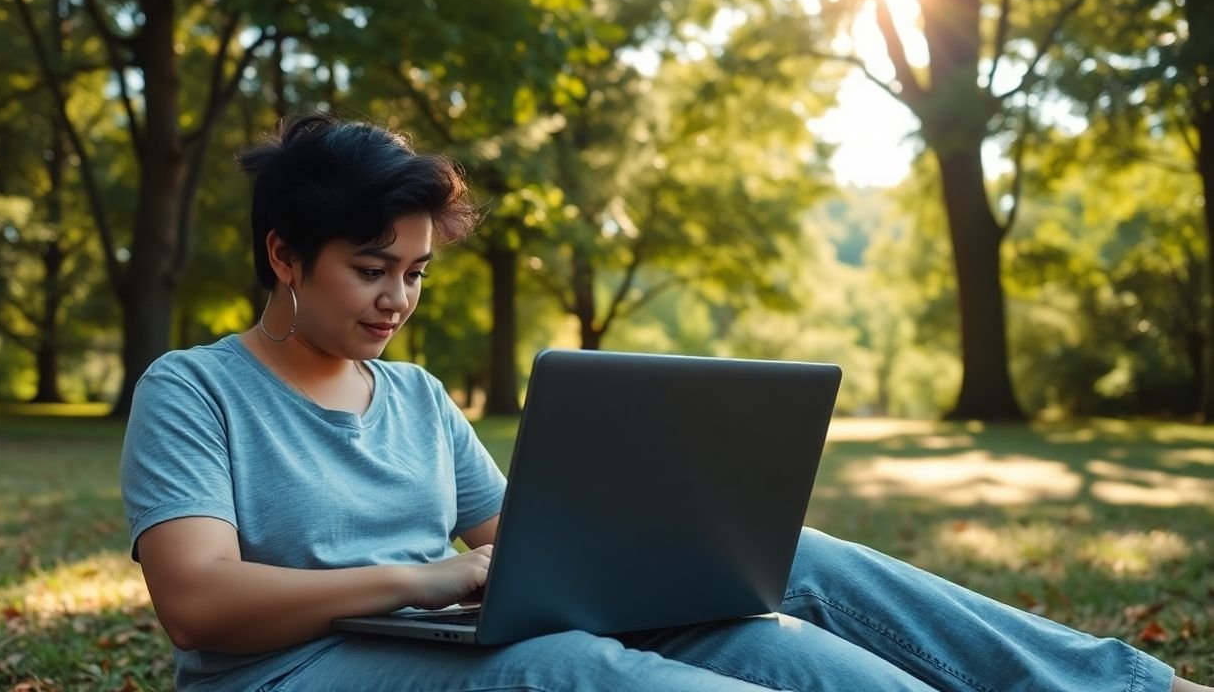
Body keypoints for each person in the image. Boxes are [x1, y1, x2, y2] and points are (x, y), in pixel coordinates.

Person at [120, 111, 1210, 692]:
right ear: (283, 255)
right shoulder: (196, 390)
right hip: (294, 674)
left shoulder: (411, 395)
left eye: (415, 272)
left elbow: (533, 544)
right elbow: (201, 607)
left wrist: (678, 543)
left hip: (445, 636)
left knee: (791, 571)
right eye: (371, 268)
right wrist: (428, 575)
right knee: (576, 668)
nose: (398, 298)